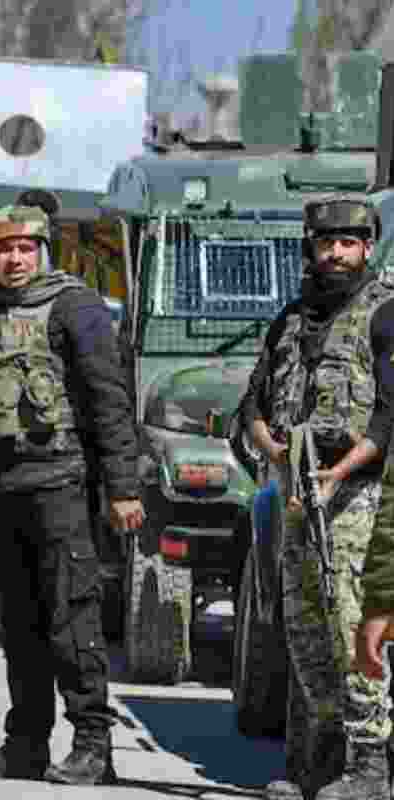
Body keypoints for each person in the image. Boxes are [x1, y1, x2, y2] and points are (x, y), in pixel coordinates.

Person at [0, 203, 142, 787]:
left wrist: (122, 488)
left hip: (62, 484)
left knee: (72, 618)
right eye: (3, 251)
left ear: (43, 251)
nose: (13, 260)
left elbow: (108, 401)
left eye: (24, 249)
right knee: (17, 623)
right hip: (0, 491)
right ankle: (26, 743)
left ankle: (93, 745)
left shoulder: (75, 306)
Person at [243, 195, 394, 800]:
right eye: (327, 243)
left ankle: (370, 764)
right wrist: (276, 457)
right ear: (310, 248)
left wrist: (338, 473)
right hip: (298, 495)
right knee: (304, 634)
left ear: (366, 248)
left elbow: (387, 418)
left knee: (353, 629)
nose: (337, 253)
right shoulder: (289, 321)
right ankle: (318, 765)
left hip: (358, 495)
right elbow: (251, 406)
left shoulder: (384, 316)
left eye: (349, 243)